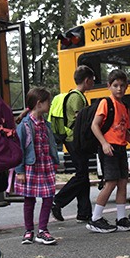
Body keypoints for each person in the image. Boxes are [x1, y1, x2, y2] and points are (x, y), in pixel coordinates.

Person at [86, 69, 130, 233]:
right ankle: (95, 218)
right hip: (108, 148)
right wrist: (104, 143)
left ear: (127, 87)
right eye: (116, 85)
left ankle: (121, 218)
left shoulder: (125, 106)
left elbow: (125, 130)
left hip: (121, 148)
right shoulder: (106, 103)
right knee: (110, 183)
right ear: (109, 86)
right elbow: (94, 125)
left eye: (122, 86)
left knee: (123, 182)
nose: (119, 89)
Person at [14, 87, 60, 245]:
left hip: (45, 165)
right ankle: (28, 230)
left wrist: (55, 162)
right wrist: (19, 171)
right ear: (39, 104)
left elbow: (51, 145)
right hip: (30, 167)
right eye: (49, 102)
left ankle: (42, 230)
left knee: (48, 197)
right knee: (29, 199)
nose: (50, 104)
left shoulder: (46, 125)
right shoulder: (25, 125)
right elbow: (19, 149)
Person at [51, 65, 96, 223]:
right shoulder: (77, 97)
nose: (93, 83)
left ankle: (84, 212)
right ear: (87, 80)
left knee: (83, 175)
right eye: (92, 80)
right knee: (82, 175)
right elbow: (81, 119)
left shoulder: (74, 94)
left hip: (72, 139)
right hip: (74, 140)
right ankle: (57, 201)